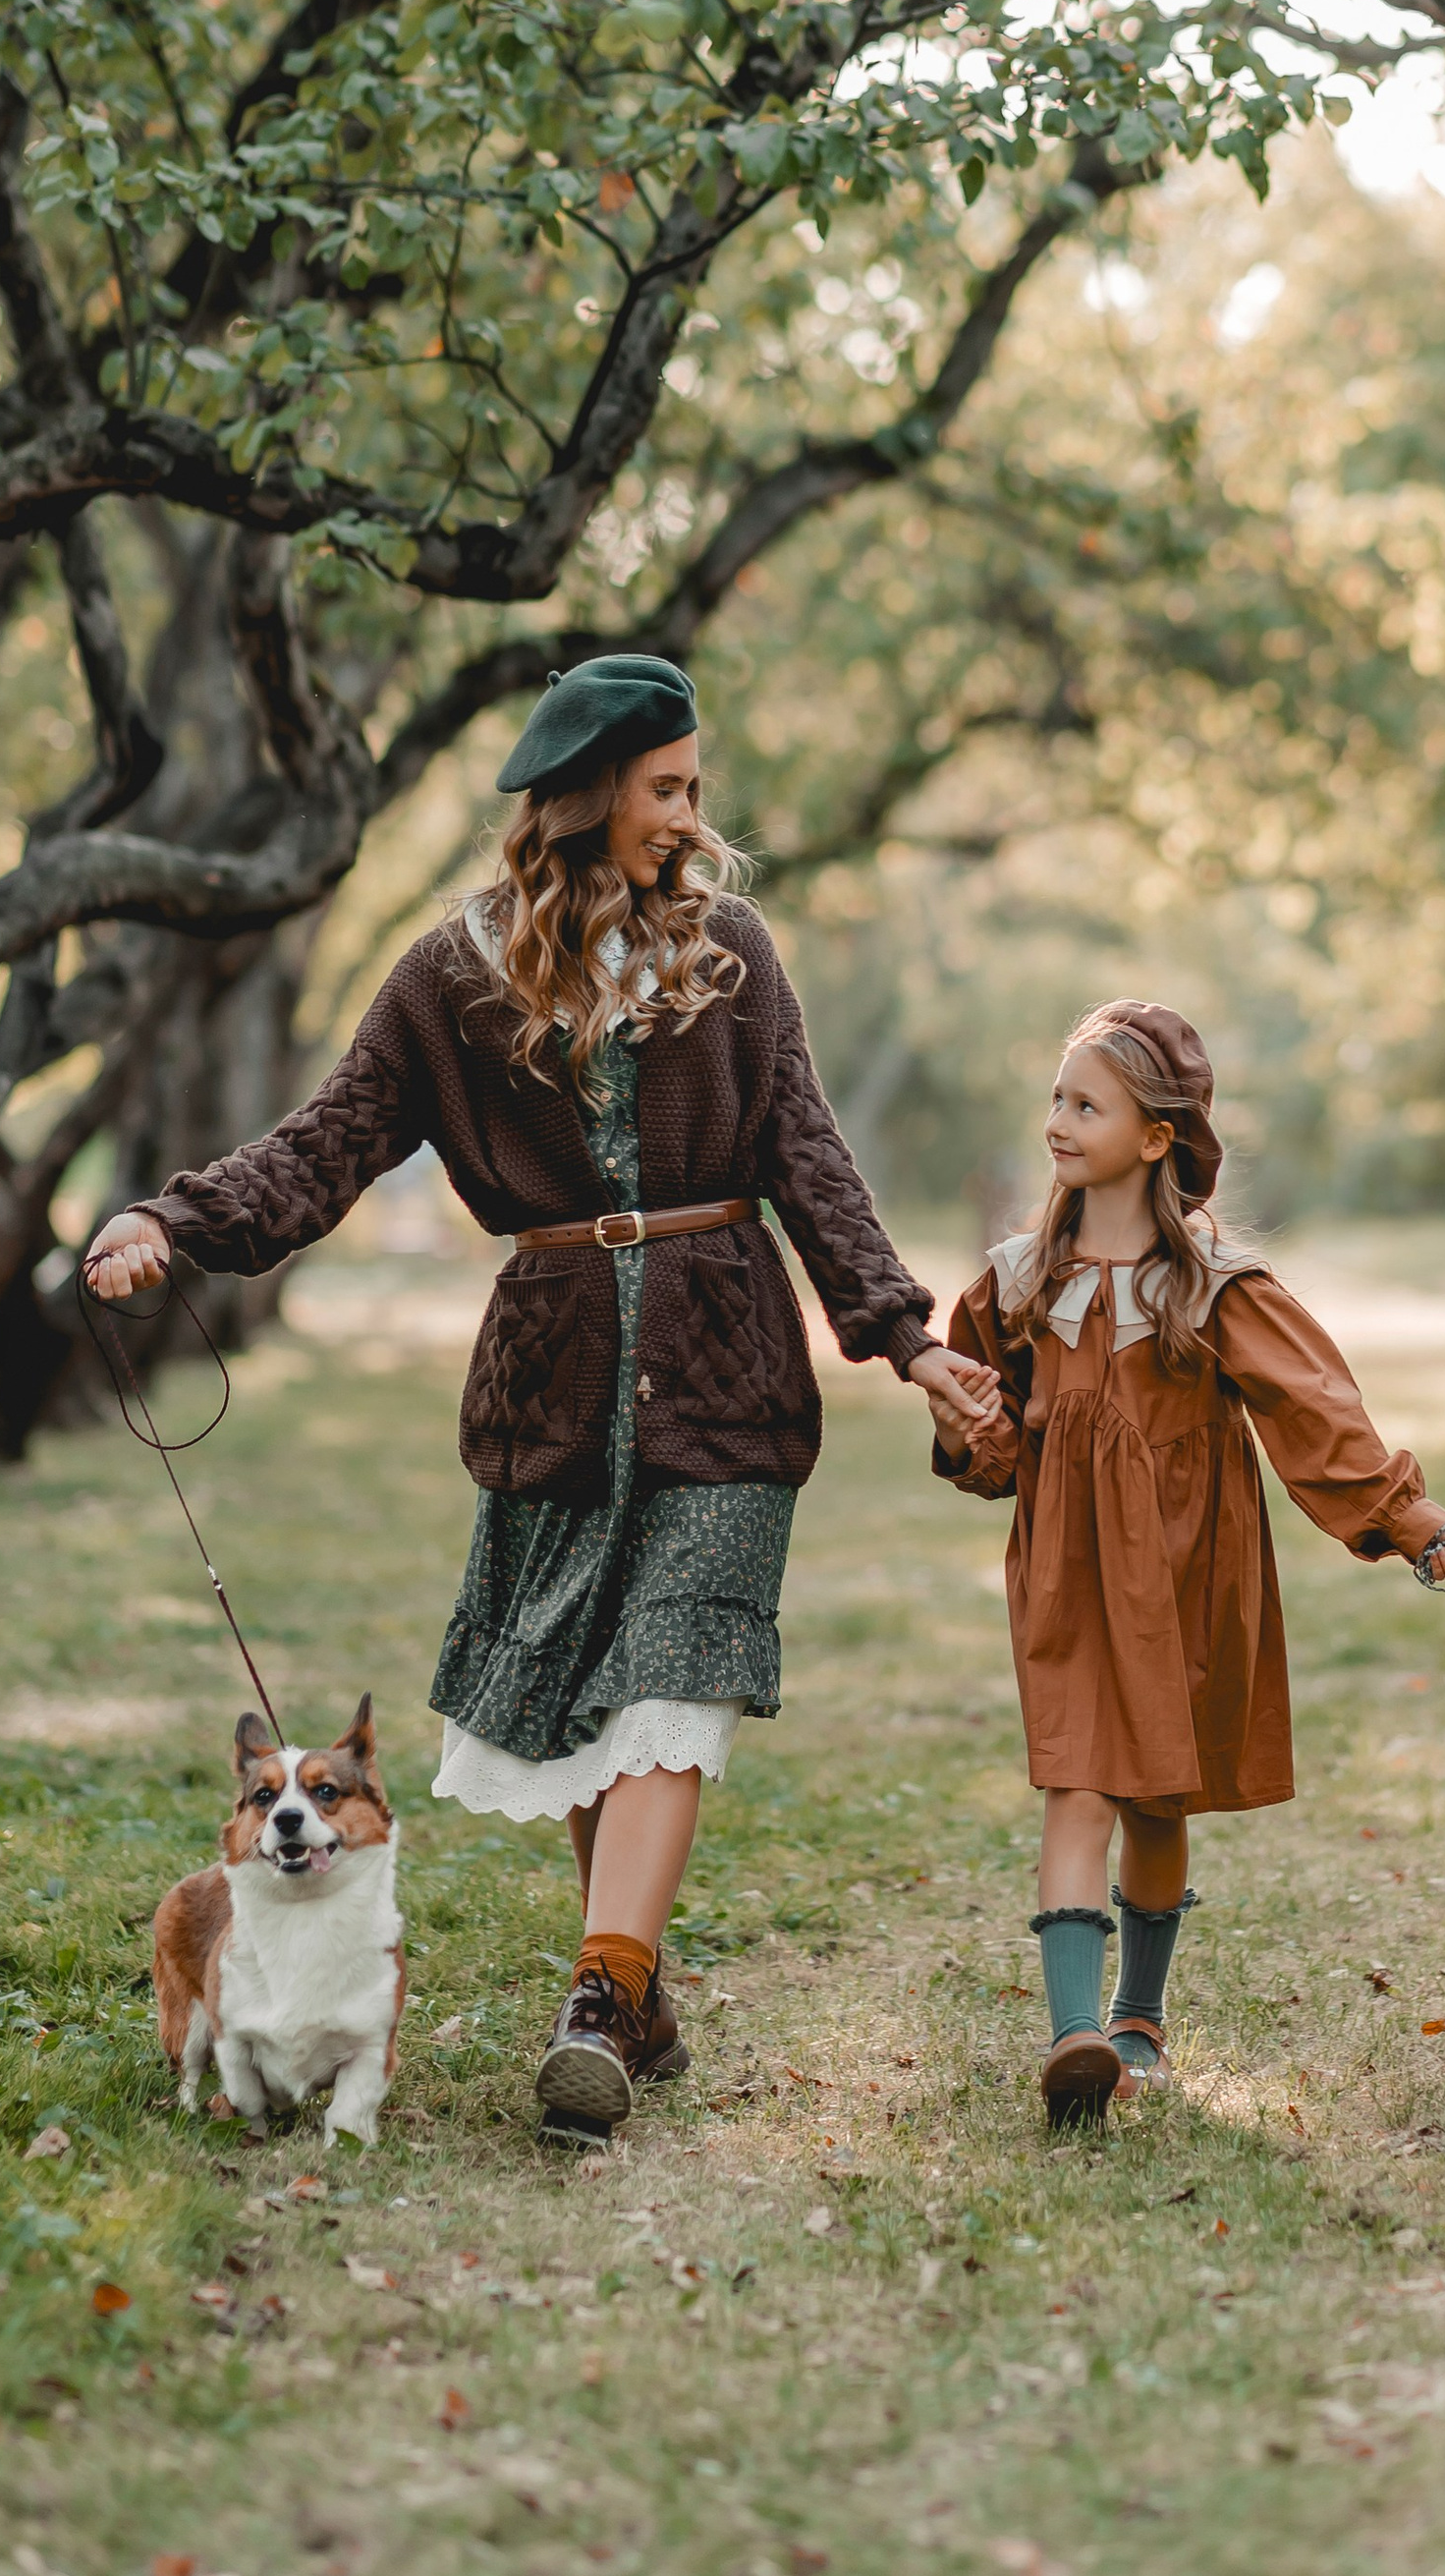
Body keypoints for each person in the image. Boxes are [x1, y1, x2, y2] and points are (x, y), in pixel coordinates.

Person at [83, 653, 999, 2139]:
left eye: (697, 788)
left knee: (678, 1680)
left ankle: (595, 1991)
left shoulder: (740, 956)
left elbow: (809, 1157)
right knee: (592, 1697)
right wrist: (173, 1225)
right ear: (582, 803)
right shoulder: (450, 980)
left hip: (725, 1366)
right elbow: (328, 1146)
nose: (695, 821)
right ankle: (630, 1988)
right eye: (667, 790)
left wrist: (906, 1338)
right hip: (557, 1382)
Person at [922, 999, 1445, 2128]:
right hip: (1069, 1577)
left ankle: (1137, 2011)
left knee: (1152, 1800)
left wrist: (1411, 1522)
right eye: (1055, 1098)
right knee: (1075, 1784)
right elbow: (985, 1432)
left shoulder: (1216, 1287)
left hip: (1182, 1574)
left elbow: (1317, 1416)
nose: (1057, 1122)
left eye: (1087, 1104)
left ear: (1156, 1135)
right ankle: (1074, 2037)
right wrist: (962, 1423)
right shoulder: (1018, 1280)